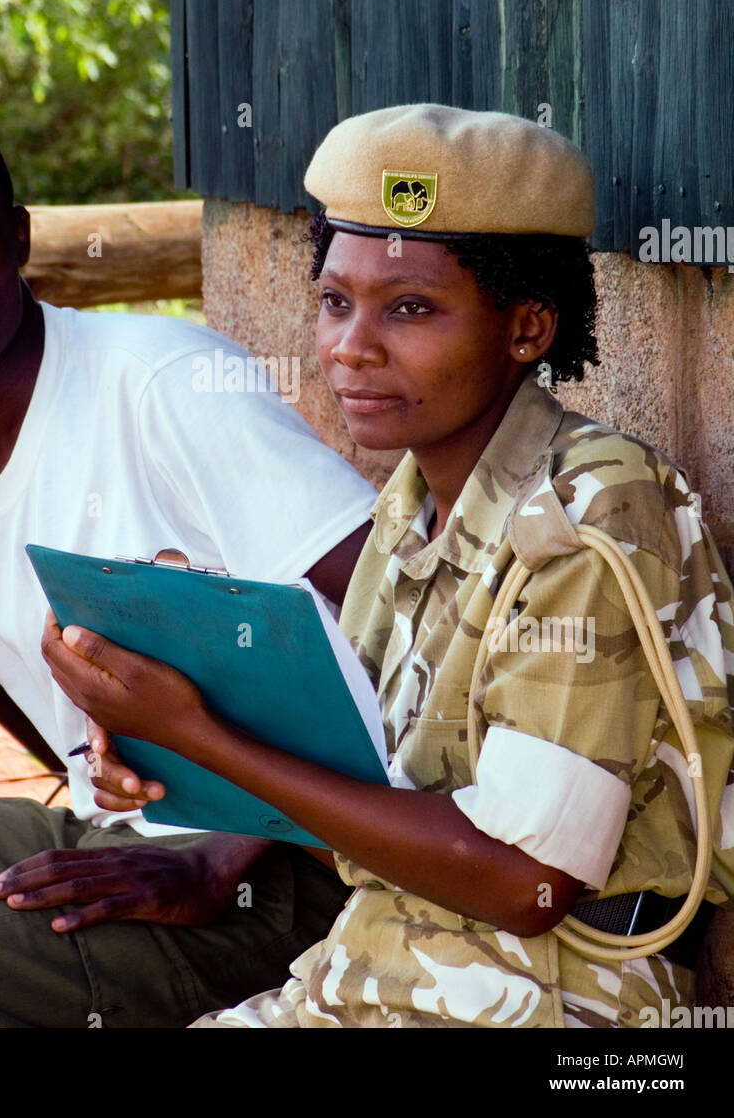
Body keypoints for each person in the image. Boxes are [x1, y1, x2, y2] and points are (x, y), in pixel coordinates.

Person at [42, 104, 734, 1028]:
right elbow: (366, 796)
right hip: (376, 968)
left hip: (554, 1003)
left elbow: (520, 887)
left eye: (409, 308)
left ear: (526, 328)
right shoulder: (411, 505)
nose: (349, 347)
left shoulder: (589, 510)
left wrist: (207, 738)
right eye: (335, 301)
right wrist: (162, 738)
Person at [0, 103, 379, 1028]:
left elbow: (401, 627)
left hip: (299, 876)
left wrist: (219, 856)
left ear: (17, 238)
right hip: (112, 844)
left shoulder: (159, 382)